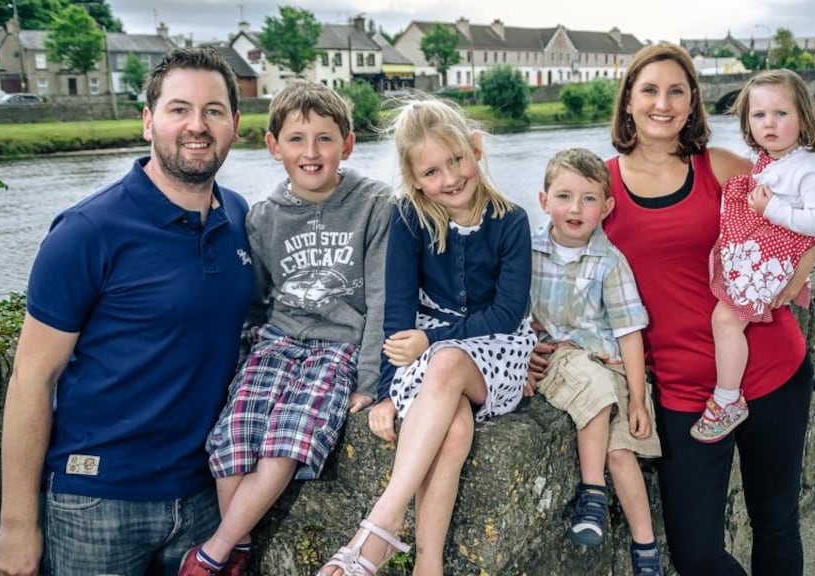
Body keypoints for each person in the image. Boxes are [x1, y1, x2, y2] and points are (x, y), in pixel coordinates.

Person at [528, 43, 815, 575]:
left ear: (691, 104)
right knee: (695, 554)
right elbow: (555, 275)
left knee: (775, 525)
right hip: (681, 396)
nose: (663, 103)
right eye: (650, 90)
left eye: (676, 91)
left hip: (771, 372)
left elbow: (812, 229)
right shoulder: (599, 189)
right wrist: (537, 347)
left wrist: (787, 286)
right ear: (629, 102)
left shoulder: (724, 168)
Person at [0, 46, 252, 576]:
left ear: (235, 125)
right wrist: (17, 525)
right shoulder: (88, 231)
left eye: (213, 110)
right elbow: (32, 381)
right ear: (148, 122)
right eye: (179, 109)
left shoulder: (240, 217)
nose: (196, 125)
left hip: (208, 500)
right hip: (98, 501)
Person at [178, 81, 392, 575]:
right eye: (296, 139)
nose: (311, 152)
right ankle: (242, 547)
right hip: (275, 344)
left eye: (324, 138)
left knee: (287, 443)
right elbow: (255, 302)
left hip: (337, 348)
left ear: (348, 144)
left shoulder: (374, 205)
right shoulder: (263, 218)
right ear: (274, 146)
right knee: (231, 442)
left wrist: (368, 380)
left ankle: (212, 552)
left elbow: (380, 296)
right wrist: (240, 361)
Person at [321, 97, 534, 576]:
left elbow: (506, 313)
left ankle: (376, 528)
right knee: (454, 428)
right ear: (415, 178)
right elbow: (397, 310)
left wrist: (432, 342)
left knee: (446, 361)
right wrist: (386, 393)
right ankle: (428, 564)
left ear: (475, 149)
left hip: (496, 347)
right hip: (428, 345)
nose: (450, 178)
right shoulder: (408, 217)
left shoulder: (511, 221)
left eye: (456, 160)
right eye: (433, 171)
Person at [695, 69, 815, 443]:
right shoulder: (770, 160)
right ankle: (728, 395)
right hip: (766, 256)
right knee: (724, 315)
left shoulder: (809, 166)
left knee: (725, 319)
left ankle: (727, 399)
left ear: (802, 117)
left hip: (777, 258)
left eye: (781, 113)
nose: (769, 123)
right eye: (759, 115)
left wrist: (770, 211)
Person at [528, 147, 664, 574]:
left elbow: (628, 331)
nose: (575, 208)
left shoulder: (610, 262)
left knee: (621, 452)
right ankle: (592, 497)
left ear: (606, 207)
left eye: (589, 199)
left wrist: (639, 399)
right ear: (544, 200)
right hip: (563, 360)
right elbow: (513, 314)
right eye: (564, 196)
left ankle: (646, 551)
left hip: (610, 366)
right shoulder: (526, 254)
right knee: (595, 387)